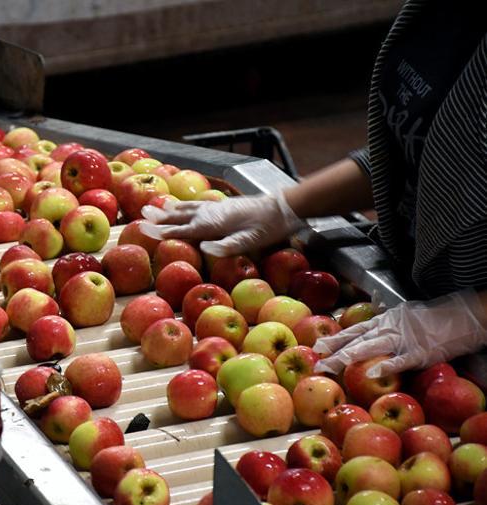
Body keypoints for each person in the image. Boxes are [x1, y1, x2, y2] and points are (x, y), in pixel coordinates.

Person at [140, 0, 487, 379]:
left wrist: (466, 319)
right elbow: (421, 153)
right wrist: (284, 206)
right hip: (414, 300)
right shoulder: (441, 14)